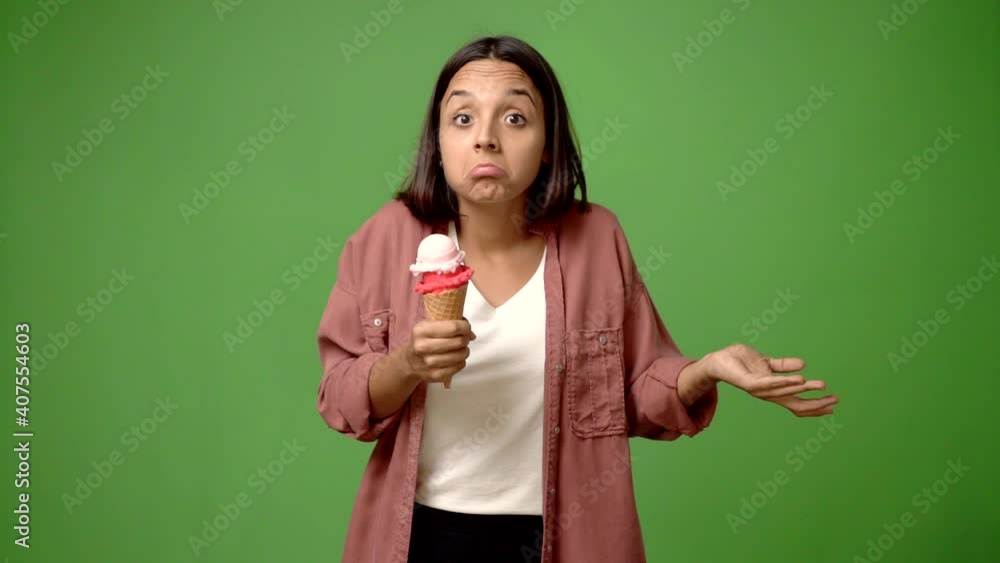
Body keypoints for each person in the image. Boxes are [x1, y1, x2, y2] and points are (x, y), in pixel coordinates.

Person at [316, 35, 838, 563]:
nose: (486, 139)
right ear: (438, 139)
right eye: (463, 118)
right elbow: (339, 400)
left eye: (515, 118)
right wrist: (405, 363)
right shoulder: (385, 238)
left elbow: (630, 394)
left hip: (568, 536)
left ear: (547, 146)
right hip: (422, 538)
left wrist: (705, 370)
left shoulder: (597, 238)